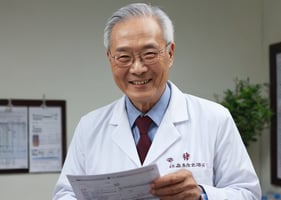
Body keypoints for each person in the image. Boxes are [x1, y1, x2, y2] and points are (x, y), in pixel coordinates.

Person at [53, 3, 261, 200]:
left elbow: (248, 193)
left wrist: (202, 195)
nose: (137, 68)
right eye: (124, 57)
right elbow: (64, 194)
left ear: (170, 54)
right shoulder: (89, 126)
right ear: (110, 58)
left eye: (149, 54)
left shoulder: (215, 119)